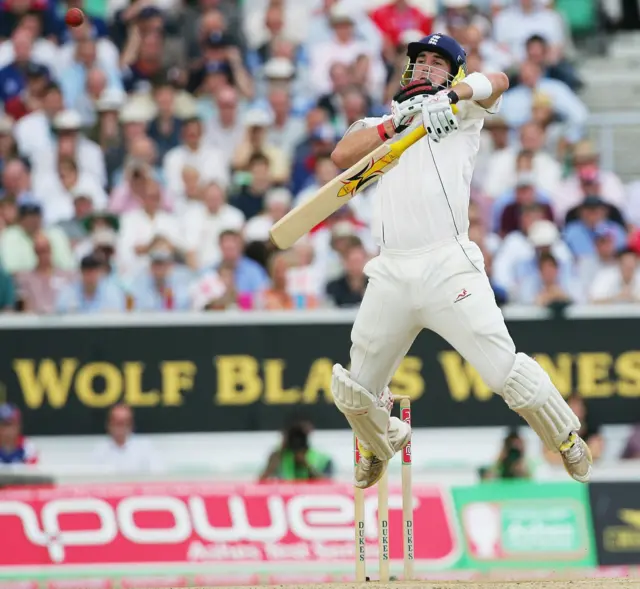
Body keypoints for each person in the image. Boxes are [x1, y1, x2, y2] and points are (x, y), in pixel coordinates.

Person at [328, 33, 592, 490]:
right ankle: (382, 439)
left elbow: (500, 79)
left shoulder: (462, 113)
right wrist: (396, 125)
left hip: (448, 266)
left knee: (505, 373)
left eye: (439, 62)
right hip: (389, 271)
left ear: (453, 73)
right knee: (353, 392)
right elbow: (341, 155)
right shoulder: (378, 123)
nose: (428, 66)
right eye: (422, 60)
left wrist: (450, 97)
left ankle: (564, 435)